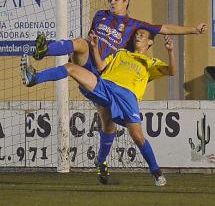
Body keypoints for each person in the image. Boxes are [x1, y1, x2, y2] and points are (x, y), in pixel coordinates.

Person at [30, 0, 206, 184]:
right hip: (99, 71)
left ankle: (110, 163)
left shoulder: (140, 42)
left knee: (113, 125)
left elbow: (165, 30)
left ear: (126, 1)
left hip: (117, 86)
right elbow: (97, 52)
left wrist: (192, 30)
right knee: (79, 46)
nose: (111, 2)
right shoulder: (103, 20)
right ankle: (43, 55)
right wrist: (94, 48)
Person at [21, 28, 176, 186]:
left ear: (150, 42)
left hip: (127, 97)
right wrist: (94, 48)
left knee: (136, 136)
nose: (138, 36)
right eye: (137, 34)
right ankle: (34, 78)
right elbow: (101, 66)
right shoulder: (121, 53)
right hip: (105, 85)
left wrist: (170, 51)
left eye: (142, 35)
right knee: (70, 68)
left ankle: (155, 172)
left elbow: (171, 71)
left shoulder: (151, 63)